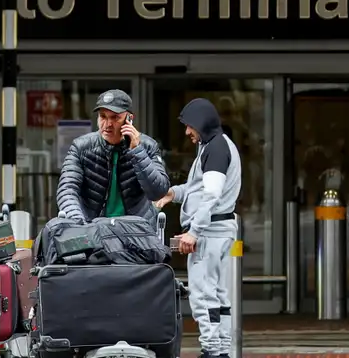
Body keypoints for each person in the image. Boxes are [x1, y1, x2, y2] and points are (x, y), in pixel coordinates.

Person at [155, 98, 241, 358]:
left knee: (203, 297)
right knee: (219, 296)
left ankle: (212, 351)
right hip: (220, 230)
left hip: (210, 233)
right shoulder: (218, 146)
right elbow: (199, 189)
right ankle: (221, 350)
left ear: (202, 124)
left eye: (189, 126)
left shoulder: (214, 149)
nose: (187, 132)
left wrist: (194, 231)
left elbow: (211, 195)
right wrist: (173, 193)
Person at [57, 89, 170, 225]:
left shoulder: (148, 146)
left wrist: (137, 150)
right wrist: (78, 222)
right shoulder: (81, 147)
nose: (108, 124)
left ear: (129, 119)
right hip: (94, 229)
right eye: (103, 116)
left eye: (115, 117)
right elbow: (67, 189)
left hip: (136, 232)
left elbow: (158, 192)